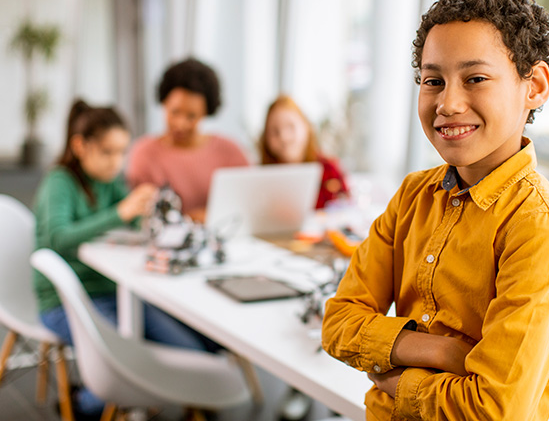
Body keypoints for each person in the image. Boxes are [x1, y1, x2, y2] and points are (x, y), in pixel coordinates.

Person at [321, 0, 549, 420]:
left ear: (533, 86)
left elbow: (494, 409)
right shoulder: (412, 196)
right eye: (432, 80)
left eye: (475, 78)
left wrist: (397, 376)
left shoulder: (538, 226)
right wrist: (445, 353)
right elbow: (338, 323)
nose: (448, 103)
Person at [33, 99, 217, 419]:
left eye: (121, 153)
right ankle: (86, 403)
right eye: (107, 152)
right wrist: (121, 212)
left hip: (116, 292)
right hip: (66, 301)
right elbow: (57, 238)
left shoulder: (110, 182)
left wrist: (144, 211)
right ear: (80, 146)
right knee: (130, 361)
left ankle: (143, 398)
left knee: (193, 351)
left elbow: (131, 222)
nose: (116, 163)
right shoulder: (60, 182)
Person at [127, 58, 249, 223]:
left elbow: (248, 206)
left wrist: (212, 216)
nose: (180, 124)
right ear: (163, 103)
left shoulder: (230, 152)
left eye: (191, 116)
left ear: (206, 112)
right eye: (174, 112)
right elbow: (139, 216)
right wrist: (190, 218)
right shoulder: (144, 153)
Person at [260, 94, 349, 209]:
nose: (283, 137)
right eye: (274, 131)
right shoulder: (262, 178)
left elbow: (346, 206)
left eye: (290, 127)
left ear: (306, 127)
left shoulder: (330, 170)